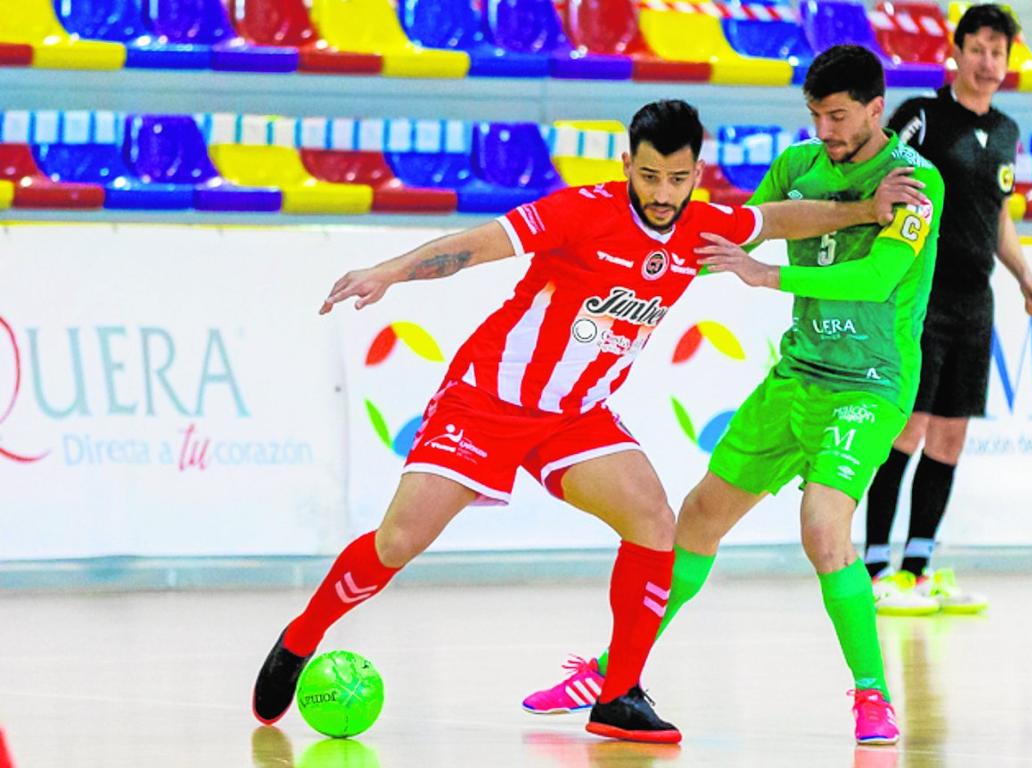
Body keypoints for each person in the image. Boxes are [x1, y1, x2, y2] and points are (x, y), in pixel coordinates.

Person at [250, 99, 926, 744]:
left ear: (697, 173)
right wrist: (391, 271)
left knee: (655, 522)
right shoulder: (582, 211)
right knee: (399, 541)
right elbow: (479, 245)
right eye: (651, 176)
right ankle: (302, 637)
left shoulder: (697, 227)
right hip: (488, 400)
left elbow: (777, 221)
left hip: (575, 416)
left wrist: (868, 208)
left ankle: (619, 695)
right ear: (628, 163)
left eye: (679, 179)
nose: (663, 193)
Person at [521, 45, 945, 746]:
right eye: (815, 114)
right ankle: (612, 672)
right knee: (696, 519)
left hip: (869, 387)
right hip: (797, 376)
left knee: (822, 527)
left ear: (876, 108)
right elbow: (731, 234)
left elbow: (875, 280)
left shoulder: (915, 181)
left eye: (838, 116)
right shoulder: (801, 166)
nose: (826, 130)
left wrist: (764, 277)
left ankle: (873, 695)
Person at [865, 3, 1032, 616]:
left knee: (949, 438)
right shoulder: (921, 116)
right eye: (980, 48)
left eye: (1000, 52)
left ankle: (915, 570)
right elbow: (879, 181)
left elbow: (999, 216)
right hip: (920, 300)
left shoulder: (1006, 132)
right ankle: (872, 569)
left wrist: (1024, 276)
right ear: (959, 50)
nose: (989, 61)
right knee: (906, 431)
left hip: (977, 303)